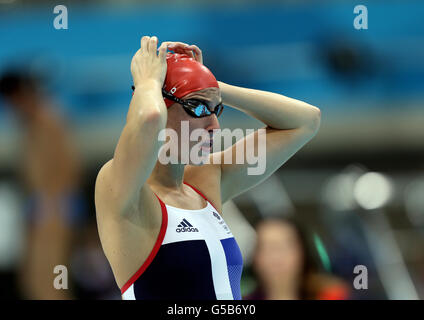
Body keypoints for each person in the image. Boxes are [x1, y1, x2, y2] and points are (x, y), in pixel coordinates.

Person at [94, 36, 321, 300]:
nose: (215, 126)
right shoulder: (121, 191)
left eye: (216, 109)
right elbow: (149, 118)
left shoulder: (204, 183)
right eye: (199, 108)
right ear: (160, 102)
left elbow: (306, 121)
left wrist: (212, 87)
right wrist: (147, 82)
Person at [0, 70, 84, 299]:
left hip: (54, 210)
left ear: (20, 96)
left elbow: (68, 169)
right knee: (33, 281)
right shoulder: (31, 124)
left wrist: (54, 209)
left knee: (50, 284)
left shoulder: (49, 120)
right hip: (42, 209)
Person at [245, 217, 350, 300]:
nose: (276, 257)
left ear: (303, 252)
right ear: (254, 256)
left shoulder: (332, 296)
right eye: (267, 247)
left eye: (284, 247)